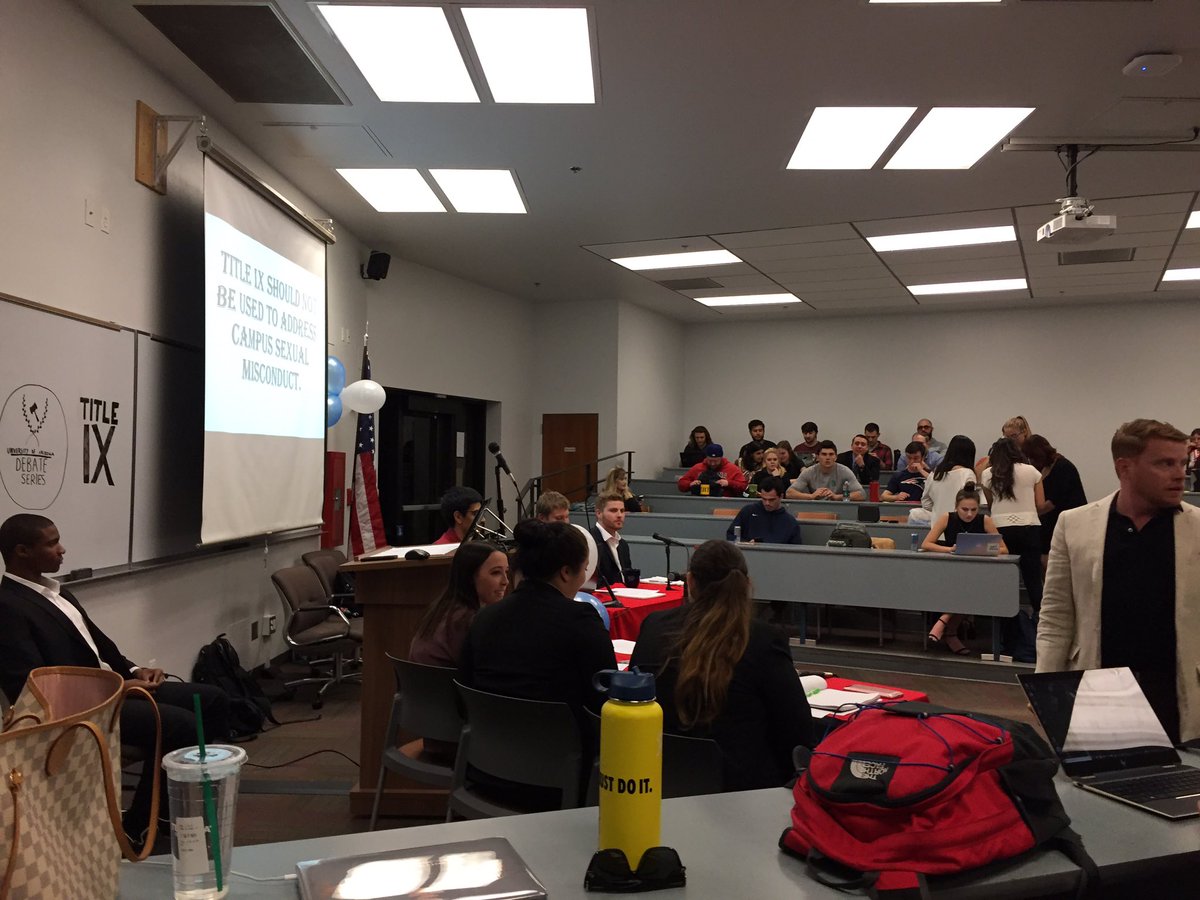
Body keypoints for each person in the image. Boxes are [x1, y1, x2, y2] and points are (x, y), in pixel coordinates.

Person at [0, 514, 231, 849]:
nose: (62, 550)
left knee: (213, 699)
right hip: (80, 710)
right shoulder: (8, 607)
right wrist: (120, 688)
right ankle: (142, 826)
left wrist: (136, 671)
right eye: (51, 543)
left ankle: (182, 808)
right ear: (21, 551)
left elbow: (100, 648)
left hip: (116, 688)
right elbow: (30, 685)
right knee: (180, 725)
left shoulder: (57, 593)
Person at [1037, 419, 1200, 744]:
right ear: (1125, 468)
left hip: (1178, 695)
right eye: (1165, 463)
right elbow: (1056, 616)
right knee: (1098, 790)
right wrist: (1046, 688)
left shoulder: (1196, 529)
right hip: (1098, 689)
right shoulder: (1074, 526)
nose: (1180, 473)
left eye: (1182, 462)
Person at [629, 540, 814, 791]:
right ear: (746, 585)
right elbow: (798, 734)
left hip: (657, 783)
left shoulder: (654, 626)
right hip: (741, 795)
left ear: (690, 581)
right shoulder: (763, 640)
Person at [458, 519, 618, 807]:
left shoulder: (484, 618)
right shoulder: (581, 622)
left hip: (485, 770)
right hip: (559, 783)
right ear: (566, 572)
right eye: (584, 570)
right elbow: (605, 705)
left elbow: (464, 696)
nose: (583, 579)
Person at [922, 485, 1007, 655]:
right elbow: (926, 543)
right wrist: (949, 549)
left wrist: (983, 550)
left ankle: (944, 621)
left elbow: (1004, 549)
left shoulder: (985, 520)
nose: (969, 514)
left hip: (977, 572)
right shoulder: (947, 518)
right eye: (964, 509)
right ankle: (950, 631)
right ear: (956, 507)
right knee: (965, 589)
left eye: (973, 509)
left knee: (972, 589)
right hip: (952, 571)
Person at [981, 437, 1045, 663]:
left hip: (1000, 528)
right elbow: (1040, 503)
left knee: (1003, 581)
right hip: (1029, 527)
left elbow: (989, 504)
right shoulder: (1032, 471)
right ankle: (1040, 630)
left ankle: (1006, 634)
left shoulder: (988, 474)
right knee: (1033, 580)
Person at [410, 541, 510, 668]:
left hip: (426, 686)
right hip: (447, 686)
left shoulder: (444, 608)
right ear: (470, 577)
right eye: (495, 573)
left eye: (506, 572)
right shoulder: (466, 620)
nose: (505, 581)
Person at [1022, 435, 1087, 571]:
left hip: (1068, 521)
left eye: (1032, 457)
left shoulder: (1063, 467)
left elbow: (1052, 502)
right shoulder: (1044, 468)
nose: (1030, 461)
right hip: (1051, 521)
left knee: (1052, 561)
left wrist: (1028, 514)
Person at [915, 435, 978, 527]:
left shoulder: (935, 474)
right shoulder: (967, 474)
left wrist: (939, 508)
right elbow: (971, 503)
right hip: (959, 528)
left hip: (937, 529)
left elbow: (926, 503)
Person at [725, 477, 800, 545]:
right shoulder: (748, 511)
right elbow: (731, 535)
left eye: (771, 500)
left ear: (781, 497)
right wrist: (746, 544)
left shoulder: (790, 522)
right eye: (764, 499)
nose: (767, 503)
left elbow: (795, 549)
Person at [786, 441, 864, 501]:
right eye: (824, 454)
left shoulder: (845, 471)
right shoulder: (808, 472)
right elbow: (789, 493)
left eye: (831, 454)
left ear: (836, 457)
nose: (827, 457)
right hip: (814, 509)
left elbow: (862, 494)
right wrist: (811, 496)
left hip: (838, 508)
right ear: (817, 457)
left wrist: (837, 497)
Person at [589, 490, 631, 587]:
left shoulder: (623, 544)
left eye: (622, 511)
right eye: (613, 510)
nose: (619, 515)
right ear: (599, 513)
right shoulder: (590, 541)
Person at [676, 444, 748, 497]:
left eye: (716, 461)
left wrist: (729, 483)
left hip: (724, 503)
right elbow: (681, 484)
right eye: (710, 460)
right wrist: (690, 484)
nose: (713, 464)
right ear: (706, 457)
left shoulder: (732, 469)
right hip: (699, 501)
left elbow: (743, 486)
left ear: (721, 458)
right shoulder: (697, 467)